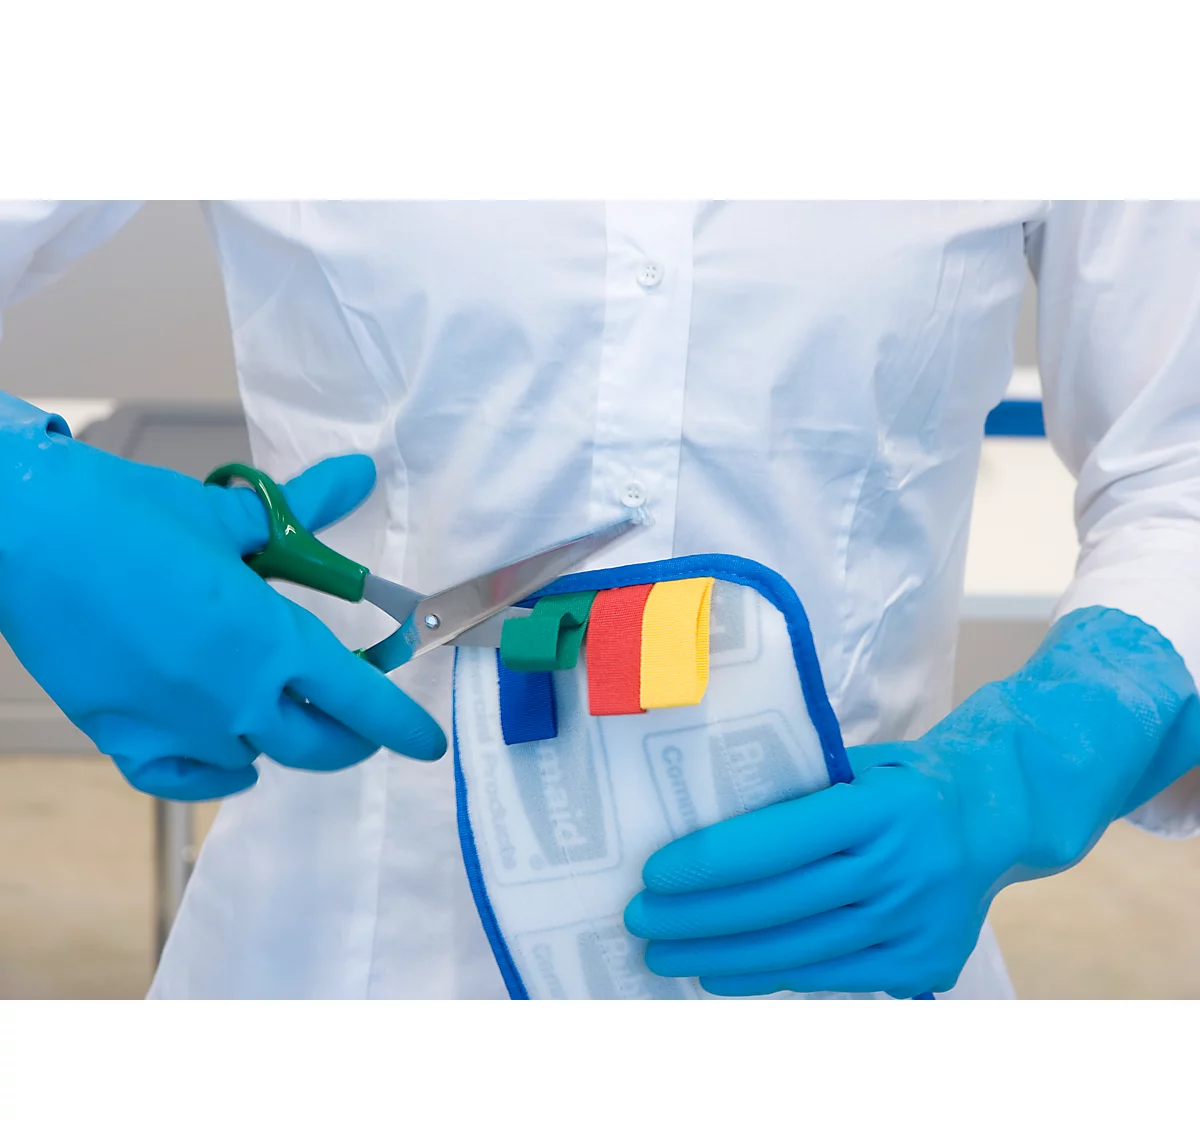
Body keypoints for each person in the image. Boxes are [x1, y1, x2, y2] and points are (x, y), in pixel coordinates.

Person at [1, 201, 1199, 1000]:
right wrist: (24, 502)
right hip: (341, 969)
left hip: (855, 977)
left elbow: (1179, 472)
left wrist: (1041, 760)